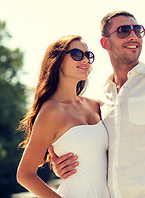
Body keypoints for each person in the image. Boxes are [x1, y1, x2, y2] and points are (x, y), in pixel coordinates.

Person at [49, 11, 145, 198]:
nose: (133, 36)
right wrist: (60, 165)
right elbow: (95, 147)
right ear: (105, 42)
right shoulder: (100, 99)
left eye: (138, 30)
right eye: (123, 31)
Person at [16, 35, 110, 198]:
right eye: (77, 54)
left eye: (88, 56)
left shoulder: (96, 105)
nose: (86, 60)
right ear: (57, 61)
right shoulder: (51, 112)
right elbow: (25, 175)